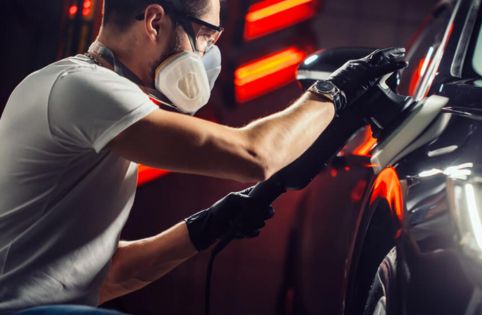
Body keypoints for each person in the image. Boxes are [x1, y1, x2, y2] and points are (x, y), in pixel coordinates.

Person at [0, 0, 407, 313]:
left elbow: (111, 275)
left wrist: (205, 227)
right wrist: (334, 91)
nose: (208, 55)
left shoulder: (84, 92)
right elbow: (254, 154)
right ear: (155, 21)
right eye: (206, 37)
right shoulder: (85, 89)